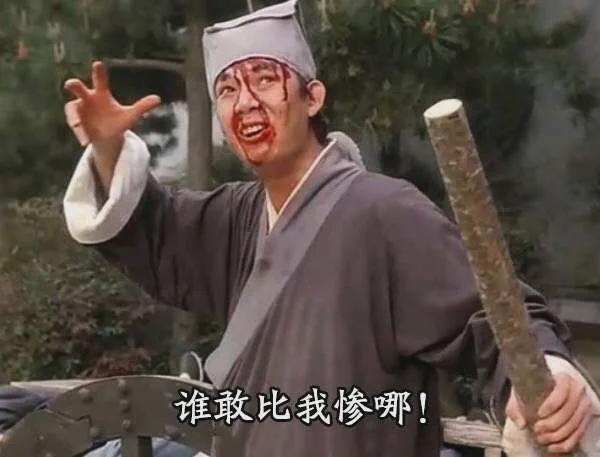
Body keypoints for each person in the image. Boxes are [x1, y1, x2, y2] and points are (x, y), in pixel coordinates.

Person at [61, 1, 598, 456]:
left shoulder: (383, 212)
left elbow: (492, 314)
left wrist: (549, 378)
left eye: (264, 79)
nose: (245, 102)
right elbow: (154, 229)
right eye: (226, 89)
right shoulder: (235, 217)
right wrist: (109, 150)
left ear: (312, 97)